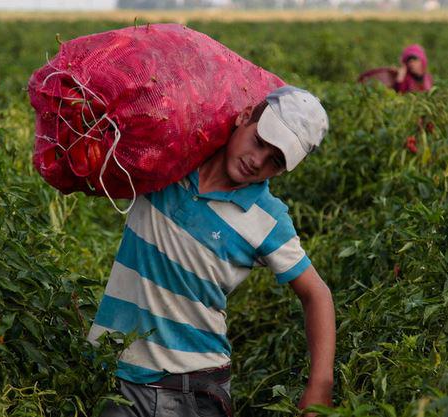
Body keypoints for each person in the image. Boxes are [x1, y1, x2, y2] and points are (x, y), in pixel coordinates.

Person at [94, 86, 336, 417]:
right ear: (245, 116)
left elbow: (317, 294)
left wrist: (320, 385)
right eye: (259, 141)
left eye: (275, 160)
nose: (257, 161)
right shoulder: (173, 160)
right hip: (113, 374)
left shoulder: (267, 219)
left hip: (189, 392)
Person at [357, 44, 433, 94]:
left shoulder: (428, 78)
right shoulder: (404, 78)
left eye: (415, 60)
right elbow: (400, 94)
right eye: (409, 61)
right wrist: (400, 78)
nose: (412, 63)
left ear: (422, 61)